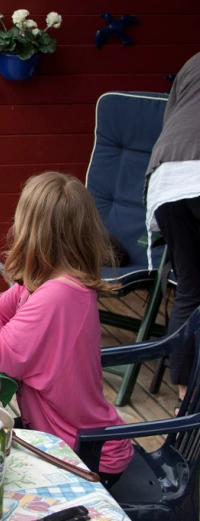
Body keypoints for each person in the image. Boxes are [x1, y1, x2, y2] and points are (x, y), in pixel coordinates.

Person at [0, 172, 134, 488]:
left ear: (31, 231)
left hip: (82, 454)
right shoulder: (41, 286)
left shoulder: (58, 297)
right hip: (57, 438)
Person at [144, 51, 200, 412]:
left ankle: (184, 394)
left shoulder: (193, 61)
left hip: (166, 179)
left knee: (190, 289)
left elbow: (171, 119)